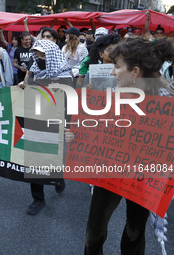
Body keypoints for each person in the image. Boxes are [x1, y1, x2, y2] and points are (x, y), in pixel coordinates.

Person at [84, 37, 174, 254]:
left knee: (135, 231)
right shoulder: (111, 92)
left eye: (116, 67)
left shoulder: (166, 100)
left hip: (144, 177)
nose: (112, 72)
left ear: (135, 72)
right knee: (93, 234)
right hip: (109, 171)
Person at [19, 40, 73, 215]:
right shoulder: (34, 71)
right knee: (33, 160)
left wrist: (67, 125)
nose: (40, 59)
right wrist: (24, 87)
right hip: (35, 120)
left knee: (50, 158)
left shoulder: (64, 75)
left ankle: (57, 178)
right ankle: (38, 199)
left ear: (52, 56)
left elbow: (69, 102)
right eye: (38, 55)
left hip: (54, 122)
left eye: (43, 56)